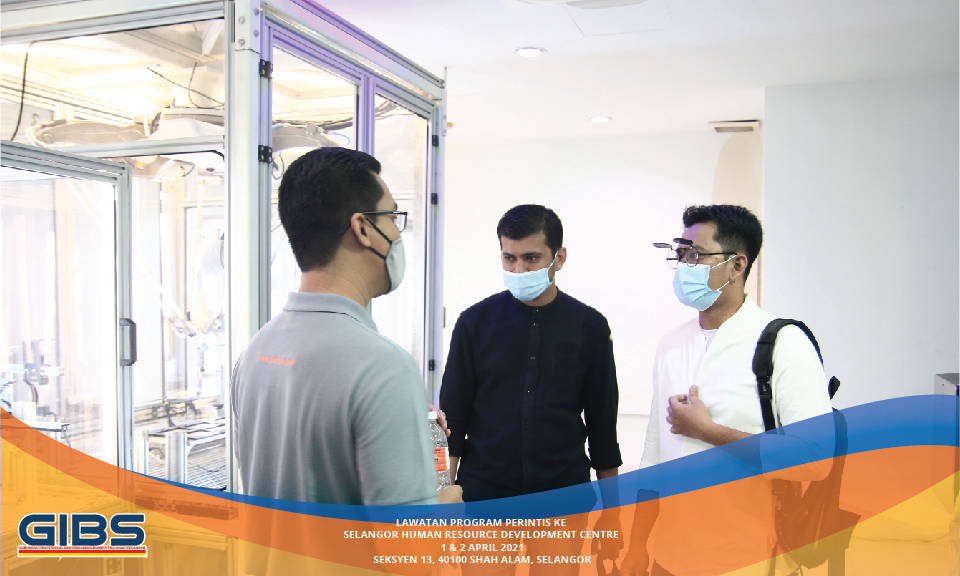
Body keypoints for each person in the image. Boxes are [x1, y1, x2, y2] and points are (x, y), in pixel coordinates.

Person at [231, 146, 461, 507]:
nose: (397, 234)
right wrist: (446, 506)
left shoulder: (256, 351)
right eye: (392, 217)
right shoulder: (384, 368)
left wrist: (403, 430)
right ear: (363, 228)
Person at [621, 204, 833, 576]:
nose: (684, 265)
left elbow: (815, 460)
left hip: (750, 558)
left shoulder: (783, 342)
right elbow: (654, 456)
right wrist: (638, 547)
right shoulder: (672, 344)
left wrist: (707, 431)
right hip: (668, 556)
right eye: (681, 254)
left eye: (696, 255)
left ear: (736, 266)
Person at [440, 204, 622, 574]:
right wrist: (444, 494)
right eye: (509, 258)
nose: (519, 270)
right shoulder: (474, 323)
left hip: (561, 496)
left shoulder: (589, 326)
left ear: (559, 258)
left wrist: (613, 512)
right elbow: (452, 418)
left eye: (532, 258)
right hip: (486, 494)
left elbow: (603, 423)